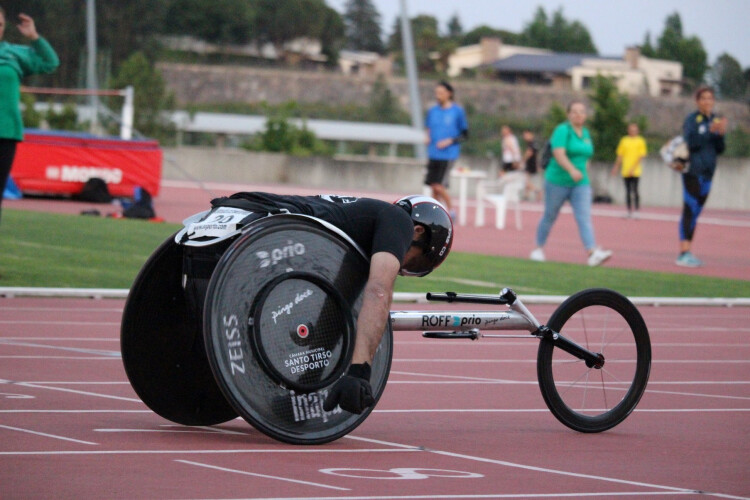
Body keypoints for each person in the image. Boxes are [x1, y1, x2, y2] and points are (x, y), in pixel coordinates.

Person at [211, 192, 453, 414]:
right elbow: (379, 290)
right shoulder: (399, 221)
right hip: (261, 222)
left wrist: (306, 385)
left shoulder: (358, 231)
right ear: (418, 231)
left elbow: (335, 312)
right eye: (414, 263)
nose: (401, 269)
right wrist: (360, 372)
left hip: (233, 211)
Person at [529, 100, 612, 267]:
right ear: (568, 114)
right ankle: (538, 248)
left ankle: (592, 252)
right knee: (550, 215)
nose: (578, 115)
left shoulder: (586, 133)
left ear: (586, 115)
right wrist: (571, 170)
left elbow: (586, 156)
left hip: (581, 183)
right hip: (557, 181)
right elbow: (558, 153)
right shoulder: (562, 130)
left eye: (581, 111)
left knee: (584, 217)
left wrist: (583, 172)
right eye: (574, 112)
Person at [0, 9, 59, 224]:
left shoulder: (11, 53)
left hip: (5, 133)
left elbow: (50, 62)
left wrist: (34, 37)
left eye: (0, 24)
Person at [676, 86, 727, 267]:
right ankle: (683, 252)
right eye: (703, 98)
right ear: (697, 101)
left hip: (708, 173)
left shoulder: (716, 119)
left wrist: (719, 134)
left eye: (710, 98)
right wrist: (708, 131)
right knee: (689, 209)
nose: (707, 101)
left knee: (696, 211)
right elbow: (691, 143)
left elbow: (720, 149)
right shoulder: (692, 119)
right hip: (692, 171)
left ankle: (688, 250)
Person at [424, 81, 468, 218]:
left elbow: (465, 134)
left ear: (449, 94)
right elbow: (428, 128)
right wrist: (427, 136)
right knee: (433, 186)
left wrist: (449, 141)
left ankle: (451, 210)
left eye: (441, 93)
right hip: (433, 153)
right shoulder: (433, 111)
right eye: (437, 93)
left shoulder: (457, 111)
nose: (438, 96)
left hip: (448, 154)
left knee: (438, 185)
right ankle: (434, 214)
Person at [611, 123, 647, 218]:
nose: (633, 132)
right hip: (625, 170)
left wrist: (633, 168)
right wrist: (616, 167)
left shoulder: (640, 141)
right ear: (628, 130)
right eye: (631, 130)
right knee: (627, 191)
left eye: (635, 130)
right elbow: (620, 155)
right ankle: (628, 210)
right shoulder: (624, 140)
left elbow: (641, 156)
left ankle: (637, 210)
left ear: (637, 131)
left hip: (636, 171)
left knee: (635, 190)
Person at [521, 129, 541, 200]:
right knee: (527, 180)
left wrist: (522, 160)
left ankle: (537, 191)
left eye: (526, 135)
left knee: (525, 181)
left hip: (530, 164)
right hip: (533, 164)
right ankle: (526, 196)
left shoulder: (531, 143)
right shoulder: (535, 144)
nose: (525, 137)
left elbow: (529, 153)